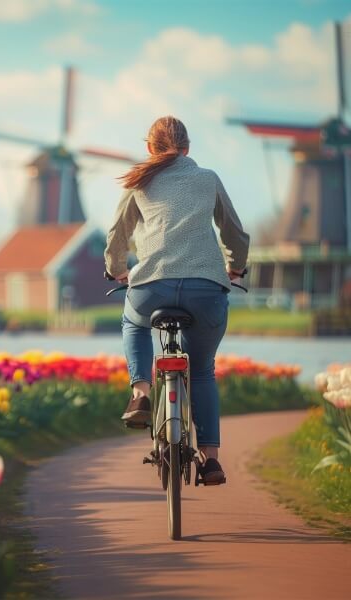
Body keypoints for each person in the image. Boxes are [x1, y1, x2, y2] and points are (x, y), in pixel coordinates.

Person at [104, 115, 249, 485]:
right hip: (206, 290)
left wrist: (117, 270)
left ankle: (140, 393)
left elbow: (118, 233)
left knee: (132, 323)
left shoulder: (140, 180)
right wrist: (235, 269)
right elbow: (234, 232)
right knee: (201, 370)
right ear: (188, 148)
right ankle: (211, 459)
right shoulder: (208, 178)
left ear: (150, 148)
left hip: (152, 286)